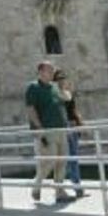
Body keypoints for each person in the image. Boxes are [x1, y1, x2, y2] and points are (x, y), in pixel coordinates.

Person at [25, 61, 74, 203]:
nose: (53, 72)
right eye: (50, 70)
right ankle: (36, 186)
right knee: (49, 161)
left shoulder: (53, 87)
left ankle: (59, 191)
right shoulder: (33, 87)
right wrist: (40, 129)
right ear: (41, 71)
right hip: (47, 130)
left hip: (61, 128)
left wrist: (64, 87)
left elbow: (67, 98)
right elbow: (30, 109)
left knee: (62, 160)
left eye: (53, 70)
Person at [54, 70, 86, 198]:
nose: (62, 81)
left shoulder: (68, 93)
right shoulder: (55, 95)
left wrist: (80, 123)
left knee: (74, 156)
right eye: (59, 79)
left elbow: (73, 110)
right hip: (63, 127)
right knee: (66, 158)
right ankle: (67, 187)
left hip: (72, 126)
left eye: (63, 78)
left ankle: (76, 185)